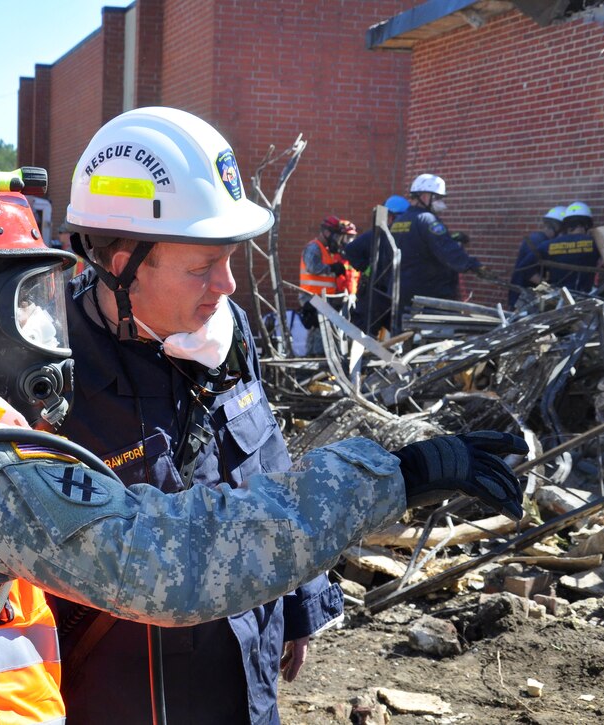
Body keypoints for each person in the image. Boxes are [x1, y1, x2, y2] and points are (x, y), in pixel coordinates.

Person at [0, 151, 528, 723]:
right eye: (22, 302)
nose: (43, 326)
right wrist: (397, 473)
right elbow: (174, 558)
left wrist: (295, 603)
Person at [56, 107, 343, 724]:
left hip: (243, 672)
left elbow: (267, 458)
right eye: (202, 266)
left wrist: (300, 599)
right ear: (122, 259)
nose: (229, 284)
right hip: (119, 694)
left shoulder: (228, 333)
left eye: (231, 258)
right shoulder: (51, 373)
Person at [390, 174, 485, 328]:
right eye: (438, 198)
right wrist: (474, 265)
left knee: (406, 338)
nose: (441, 203)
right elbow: (448, 251)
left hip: (404, 293)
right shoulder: (428, 220)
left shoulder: (399, 221)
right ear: (425, 196)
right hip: (429, 295)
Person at [345, 194, 410, 336]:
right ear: (391, 217)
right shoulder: (375, 235)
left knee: (399, 333)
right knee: (363, 335)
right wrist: (368, 269)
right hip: (372, 294)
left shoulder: (400, 237)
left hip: (390, 294)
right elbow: (350, 250)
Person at [299, 216, 359, 356]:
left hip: (323, 299)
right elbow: (313, 267)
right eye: (336, 235)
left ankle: (315, 361)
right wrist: (332, 268)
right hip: (312, 298)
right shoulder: (314, 247)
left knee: (322, 332)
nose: (337, 239)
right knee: (321, 333)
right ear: (326, 233)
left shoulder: (328, 251)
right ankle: (316, 361)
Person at [534, 201, 600, 293]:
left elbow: (525, 269)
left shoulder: (547, 245)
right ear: (587, 224)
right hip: (585, 299)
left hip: (555, 300)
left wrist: (548, 288)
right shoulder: (596, 243)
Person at [507, 206, 566, 307]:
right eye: (563, 231)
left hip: (523, 294)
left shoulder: (539, 239)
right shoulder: (538, 241)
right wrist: (550, 289)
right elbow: (527, 271)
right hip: (522, 296)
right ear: (556, 227)